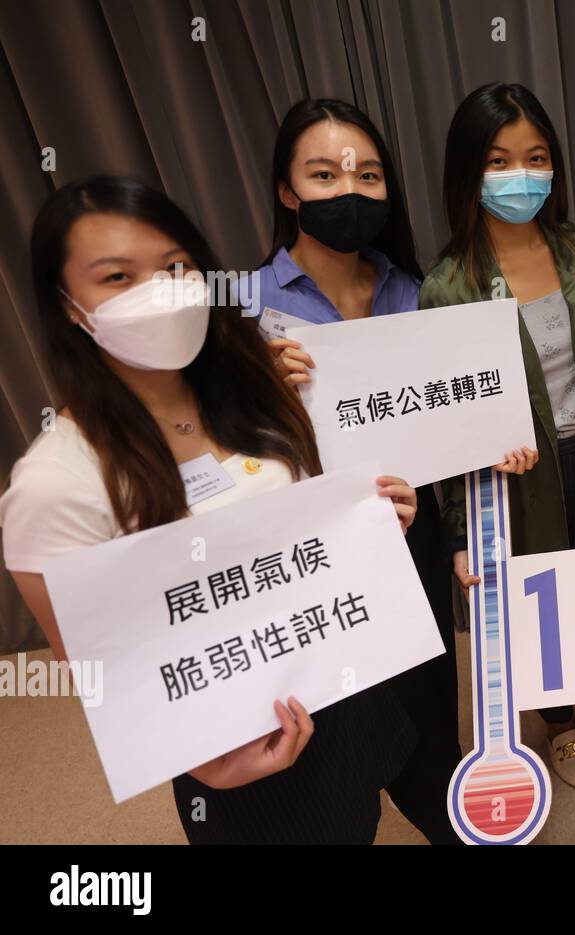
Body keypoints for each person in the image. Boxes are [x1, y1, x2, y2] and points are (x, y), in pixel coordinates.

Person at [0, 175, 422, 844]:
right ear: (68, 306)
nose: (159, 290)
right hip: (245, 741)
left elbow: (302, 516)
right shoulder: (57, 484)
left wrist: (372, 519)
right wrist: (204, 761)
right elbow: (104, 666)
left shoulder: (251, 384)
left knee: (361, 816)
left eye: (174, 266)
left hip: (337, 678)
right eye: (116, 276)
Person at [249, 97, 512, 844]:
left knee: (430, 706)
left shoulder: (414, 288)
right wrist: (249, 385)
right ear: (287, 189)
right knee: (337, 726)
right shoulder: (245, 307)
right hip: (313, 557)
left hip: (413, 535)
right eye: (325, 174)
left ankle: (453, 815)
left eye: (368, 175)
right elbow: (208, 451)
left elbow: (455, 418)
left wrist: (497, 442)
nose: (350, 191)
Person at [419, 82, 575, 790]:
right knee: (542, 603)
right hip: (518, 481)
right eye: (498, 161)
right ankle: (556, 724)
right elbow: (448, 429)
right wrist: (462, 532)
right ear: (468, 172)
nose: (521, 176)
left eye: (536, 157)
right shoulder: (448, 285)